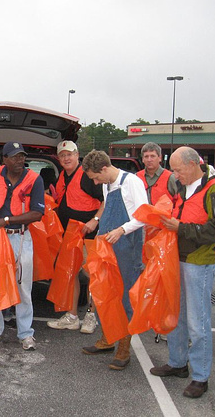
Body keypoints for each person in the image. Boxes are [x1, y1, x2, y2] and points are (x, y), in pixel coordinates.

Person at [151, 146, 215, 399]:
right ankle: (177, 363)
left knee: (198, 323)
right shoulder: (182, 187)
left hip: (199, 263)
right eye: (173, 170)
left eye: (177, 169)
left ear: (193, 164)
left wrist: (180, 227)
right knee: (176, 315)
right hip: (177, 260)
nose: (175, 175)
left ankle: (200, 377)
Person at [0, 141, 45, 351]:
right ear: (4, 159)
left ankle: (26, 334)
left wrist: (7, 220)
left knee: (23, 286)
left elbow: (37, 214)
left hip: (19, 236)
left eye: (21, 156)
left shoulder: (34, 179)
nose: (19, 160)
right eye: (14, 156)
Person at [80, 150, 148, 370]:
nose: (95, 181)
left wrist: (121, 230)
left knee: (126, 295)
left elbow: (143, 215)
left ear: (104, 169)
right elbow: (108, 210)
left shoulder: (132, 182)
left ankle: (124, 347)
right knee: (105, 291)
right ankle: (108, 338)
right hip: (108, 245)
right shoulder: (106, 184)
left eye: (95, 177)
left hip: (127, 246)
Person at [47, 140, 104, 334]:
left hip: (89, 234)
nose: (66, 158)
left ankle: (90, 316)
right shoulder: (62, 176)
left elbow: (106, 201)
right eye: (62, 155)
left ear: (77, 155)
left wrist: (95, 220)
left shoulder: (88, 176)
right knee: (71, 274)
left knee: (91, 274)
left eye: (69, 154)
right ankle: (72, 317)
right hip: (69, 233)